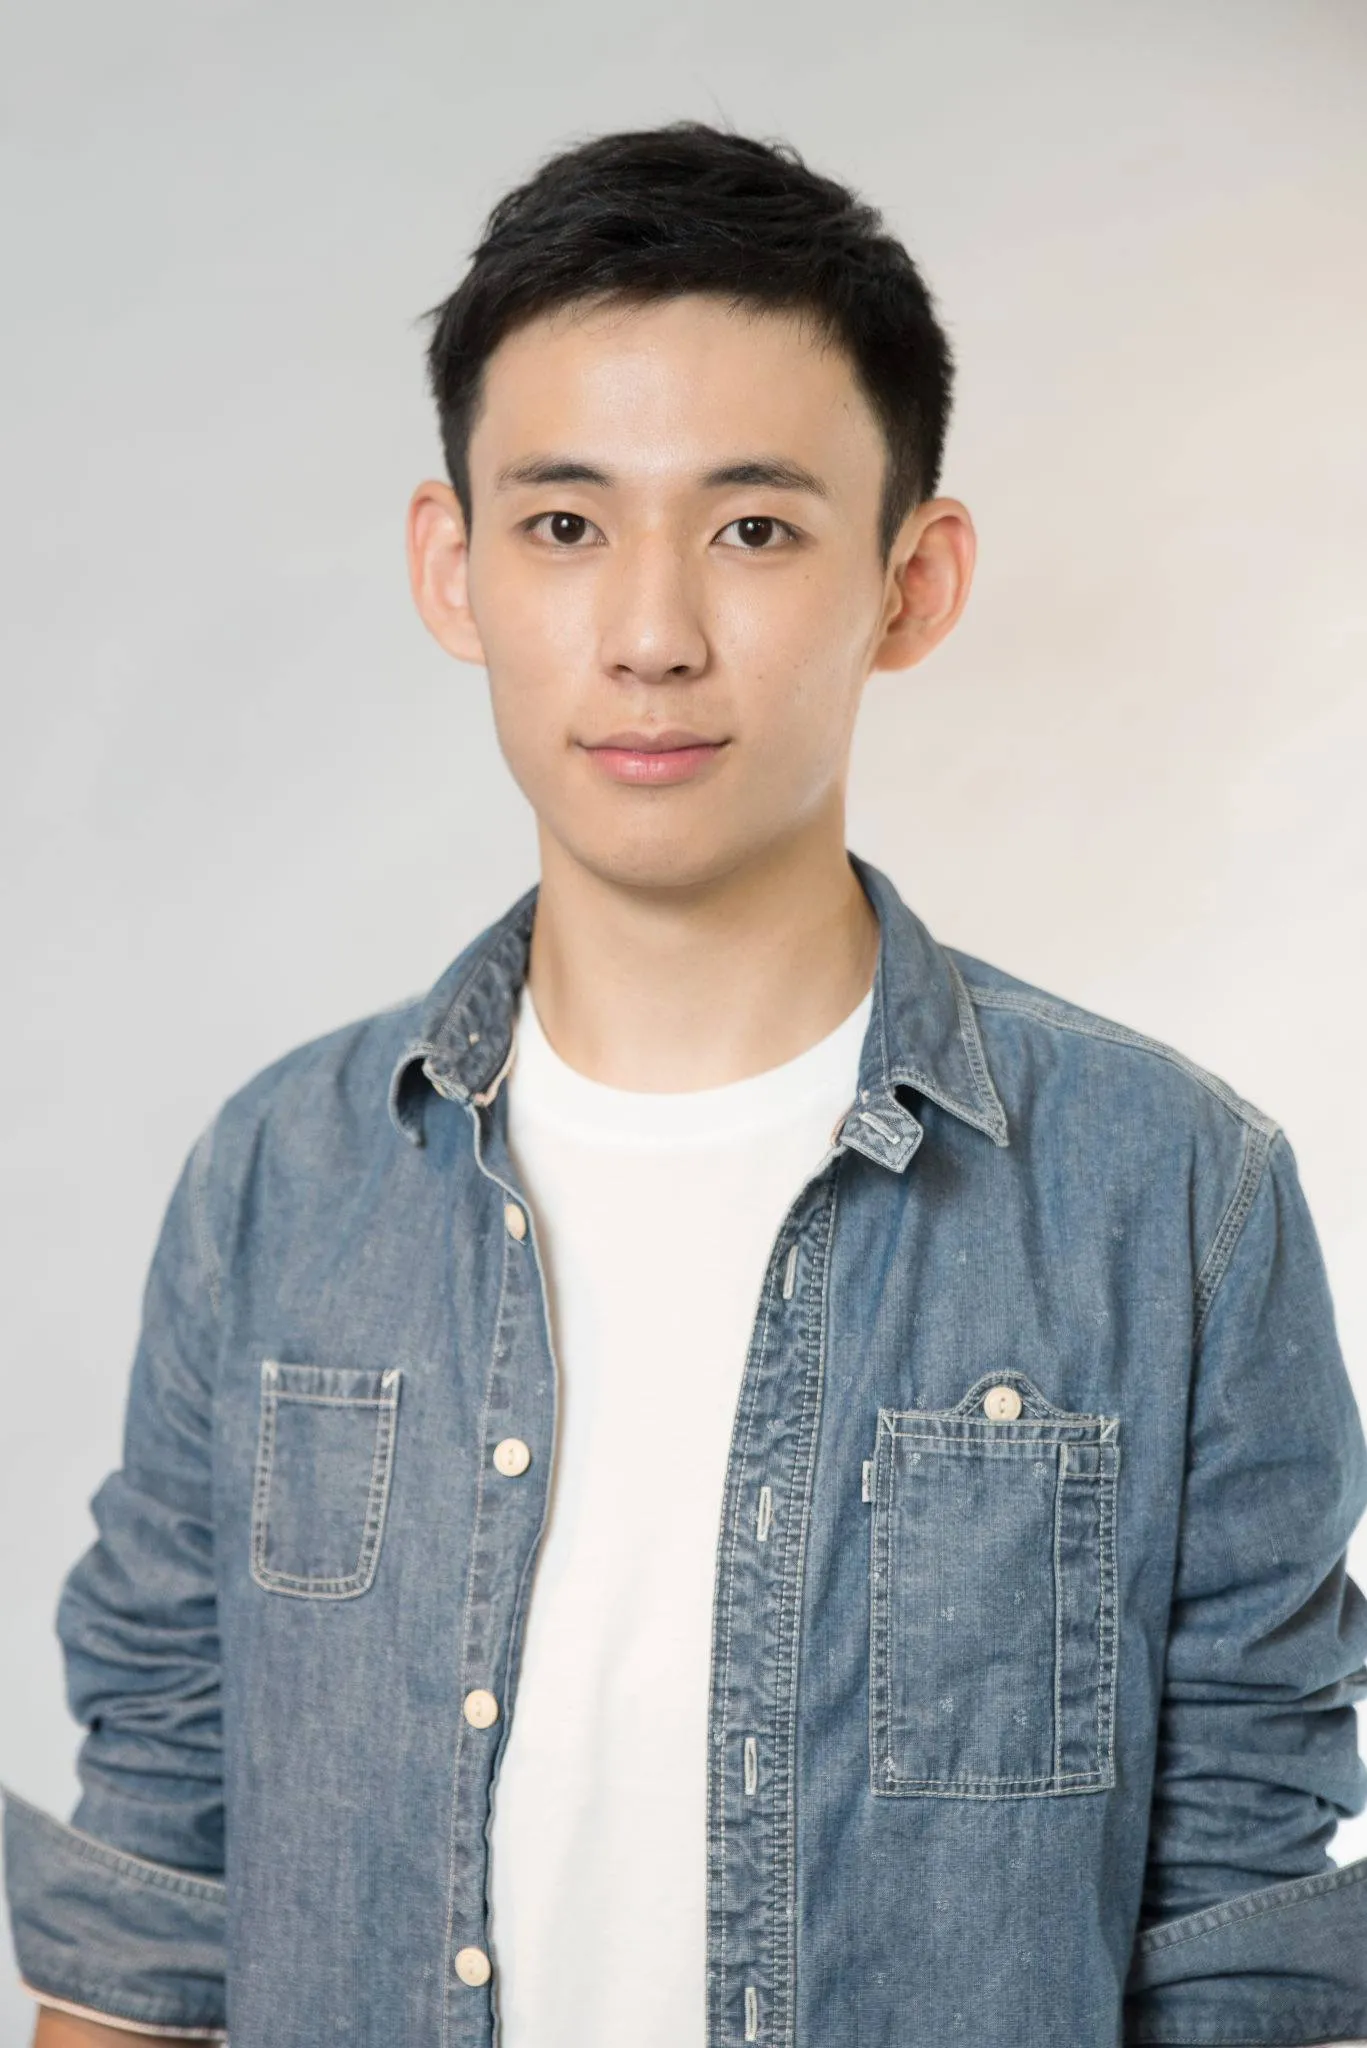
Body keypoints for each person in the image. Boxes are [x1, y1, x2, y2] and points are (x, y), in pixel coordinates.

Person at [4, 118, 1367, 2048]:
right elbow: (157, 1877)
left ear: (910, 583)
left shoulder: (1172, 1198)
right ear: (453, 567)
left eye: (753, 529)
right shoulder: (282, 1180)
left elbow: (1243, 1931)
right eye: (565, 526)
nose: (649, 637)